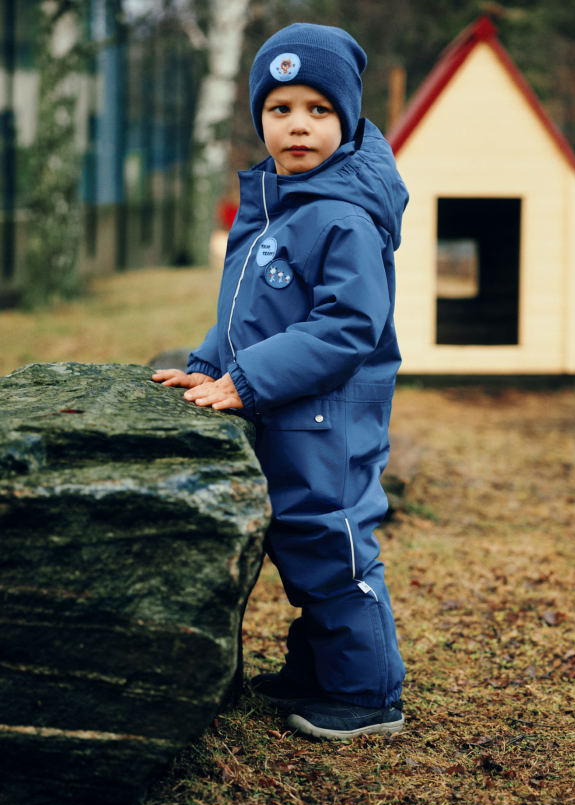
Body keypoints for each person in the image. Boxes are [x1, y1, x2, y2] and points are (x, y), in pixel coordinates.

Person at [153, 23, 408, 740]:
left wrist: (247, 381)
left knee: (334, 546)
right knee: (298, 543)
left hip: (330, 418)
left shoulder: (342, 215)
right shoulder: (277, 200)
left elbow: (347, 326)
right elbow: (246, 311)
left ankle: (367, 695)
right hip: (289, 409)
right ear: (260, 117)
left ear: (348, 117)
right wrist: (207, 366)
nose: (298, 125)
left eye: (319, 110)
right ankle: (319, 670)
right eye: (280, 109)